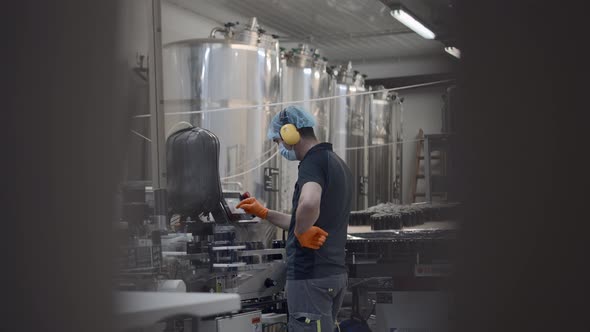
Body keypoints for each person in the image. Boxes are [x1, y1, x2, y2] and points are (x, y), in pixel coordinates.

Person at [237, 105, 353, 332]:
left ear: (289, 133)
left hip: (311, 275)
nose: (279, 147)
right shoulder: (336, 162)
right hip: (334, 273)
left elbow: (309, 203)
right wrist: (265, 213)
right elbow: (309, 220)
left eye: (277, 141)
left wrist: (300, 232)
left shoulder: (313, 162)